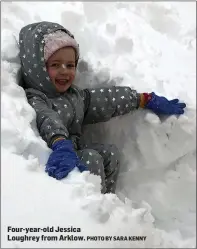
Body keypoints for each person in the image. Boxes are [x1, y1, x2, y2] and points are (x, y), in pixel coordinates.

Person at [18, 21, 186, 194]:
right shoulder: (36, 97)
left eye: (70, 65)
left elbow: (104, 100)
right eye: (55, 65)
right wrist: (60, 142)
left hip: (73, 152)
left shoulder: (74, 96)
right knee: (92, 158)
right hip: (57, 156)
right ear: (38, 68)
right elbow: (47, 118)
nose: (64, 71)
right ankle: (90, 207)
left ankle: (106, 202)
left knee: (110, 154)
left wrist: (142, 99)